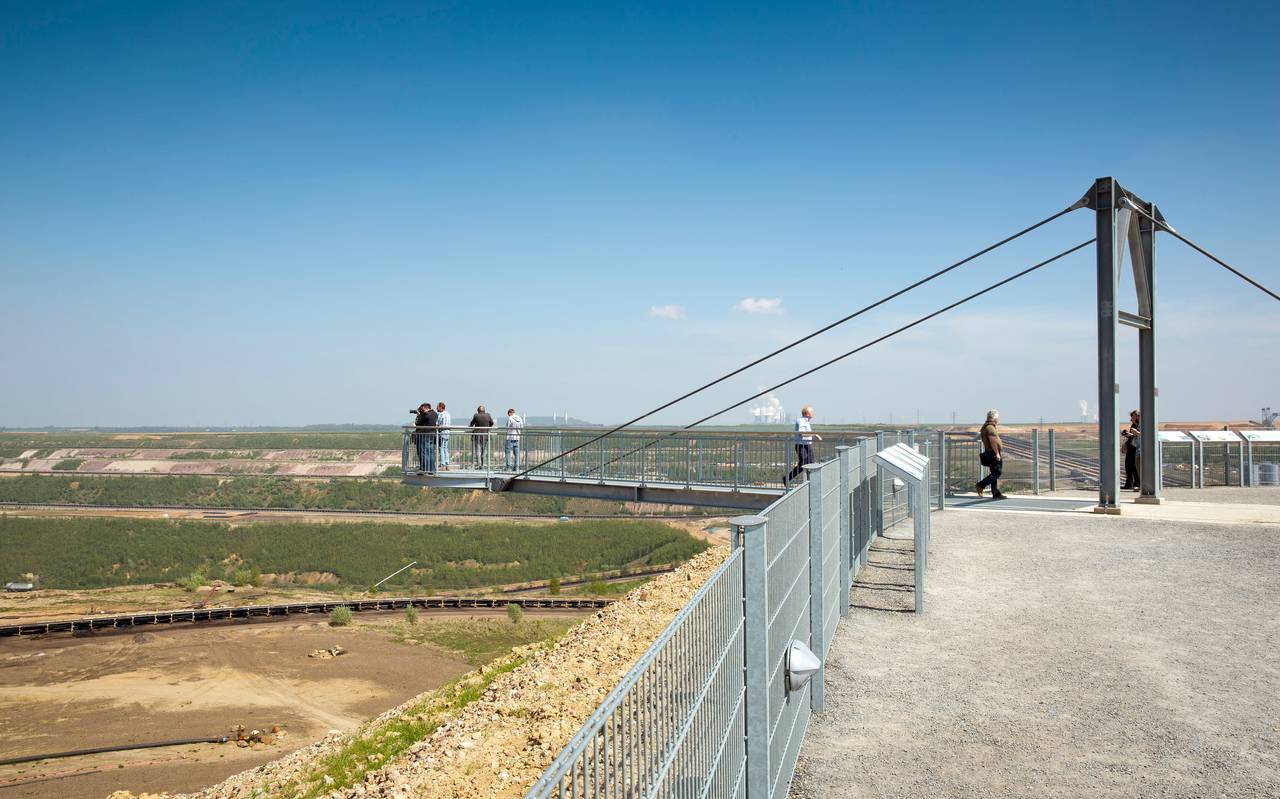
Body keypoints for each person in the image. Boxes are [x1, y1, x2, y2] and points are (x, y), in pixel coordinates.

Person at [786, 406, 823, 485]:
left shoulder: (806, 421)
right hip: (801, 446)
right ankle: (787, 479)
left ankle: (811, 482)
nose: (813, 413)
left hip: (807, 445)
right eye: (812, 412)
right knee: (804, 463)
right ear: (807, 413)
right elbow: (802, 434)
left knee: (811, 463)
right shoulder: (801, 421)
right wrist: (815, 435)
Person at [975, 409, 1006, 499]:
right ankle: (980, 485)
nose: (998, 420)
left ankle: (995, 493)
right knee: (997, 473)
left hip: (990, 452)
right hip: (993, 452)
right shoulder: (990, 428)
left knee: (994, 473)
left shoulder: (987, 427)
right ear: (994, 418)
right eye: (997, 418)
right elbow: (993, 442)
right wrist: (997, 453)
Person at [411, 402, 438, 474]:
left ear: (426, 407)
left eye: (422, 409)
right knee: (431, 453)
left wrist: (419, 415)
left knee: (424, 453)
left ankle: (424, 469)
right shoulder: (434, 414)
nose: (421, 410)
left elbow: (417, 422)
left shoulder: (426, 414)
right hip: (432, 435)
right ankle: (432, 469)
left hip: (424, 435)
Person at [1121, 409, 1141, 490]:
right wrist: (1127, 436)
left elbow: (1138, 436)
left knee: (1135, 467)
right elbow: (1132, 437)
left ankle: (1137, 484)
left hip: (1136, 448)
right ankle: (1128, 484)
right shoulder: (1133, 426)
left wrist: (1132, 434)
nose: (1131, 419)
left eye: (1132, 417)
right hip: (1130, 448)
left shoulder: (1139, 426)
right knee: (1128, 466)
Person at [436, 402, 452, 470]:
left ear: (441, 407)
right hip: (447, 432)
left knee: (441, 448)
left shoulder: (441, 414)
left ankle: (443, 464)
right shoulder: (448, 414)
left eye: (437, 407)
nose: (436, 408)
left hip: (442, 432)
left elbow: (437, 424)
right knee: (445, 448)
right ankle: (447, 464)